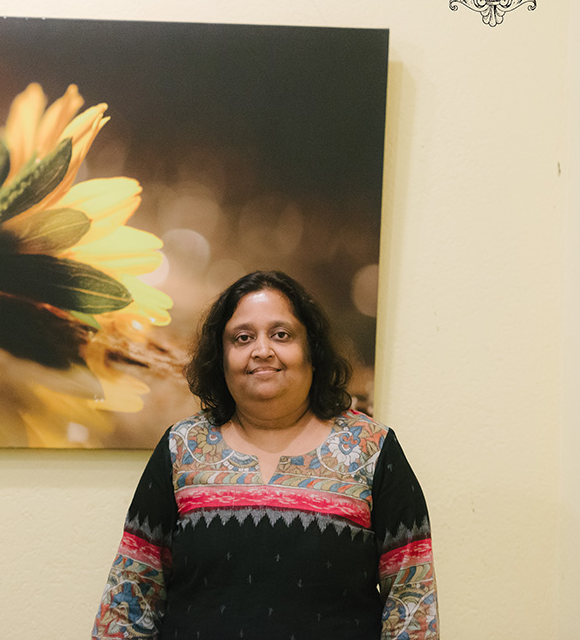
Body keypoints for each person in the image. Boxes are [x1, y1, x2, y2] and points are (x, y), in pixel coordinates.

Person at [92, 271, 438, 639]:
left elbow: (412, 601)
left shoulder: (372, 447)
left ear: (312, 351)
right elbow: (130, 597)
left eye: (281, 335)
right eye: (242, 338)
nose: (261, 350)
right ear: (221, 358)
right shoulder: (182, 446)